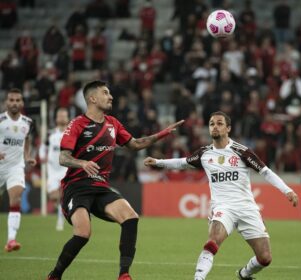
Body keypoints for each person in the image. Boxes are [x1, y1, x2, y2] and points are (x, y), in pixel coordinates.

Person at [46, 80, 183, 280]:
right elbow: (63, 158)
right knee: (83, 234)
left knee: (131, 217)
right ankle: (55, 275)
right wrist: (82, 163)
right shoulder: (77, 124)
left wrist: (162, 134)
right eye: (105, 93)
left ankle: (124, 275)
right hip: (76, 188)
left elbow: (135, 144)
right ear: (92, 98)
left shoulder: (113, 123)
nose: (110, 97)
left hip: (100, 188)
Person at [144, 111, 299, 280]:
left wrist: (287, 190)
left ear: (228, 128)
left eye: (219, 123)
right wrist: (158, 163)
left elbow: (266, 172)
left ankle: (244, 274)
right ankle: (198, 278)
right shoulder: (205, 153)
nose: (215, 127)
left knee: (265, 258)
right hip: (223, 208)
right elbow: (183, 162)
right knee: (212, 241)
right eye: (211, 124)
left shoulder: (241, 151)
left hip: (247, 207)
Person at [0, 88, 37, 252]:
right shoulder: (0, 120)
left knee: (16, 199)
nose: (14, 103)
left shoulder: (27, 122)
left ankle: (11, 240)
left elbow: (27, 139)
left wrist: (27, 156)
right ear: (6, 102)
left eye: (17, 100)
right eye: (11, 100)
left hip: (16, 166)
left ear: (22, 103)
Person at [39, 107, 70, 231]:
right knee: (53, 197)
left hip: (65, 169)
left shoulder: (71, 133)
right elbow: (42, 147)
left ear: (67, 118)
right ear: (56, 118)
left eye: (64, 116)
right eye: (60, 116)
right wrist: (42, 156)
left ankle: (60, 220)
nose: (62, 118)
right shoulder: (50, 134)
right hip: (52, 170)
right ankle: (61, 213)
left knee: (63, 194)